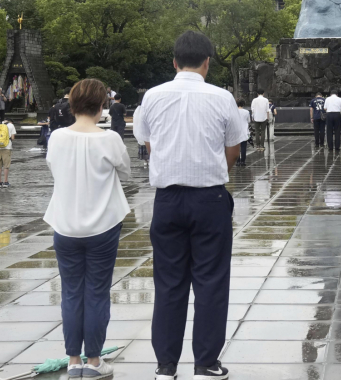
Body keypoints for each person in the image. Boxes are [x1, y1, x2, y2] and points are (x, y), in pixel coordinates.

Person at [134, 31, 245, 380]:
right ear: (208, 62)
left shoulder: (152, 96)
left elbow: (149, 143)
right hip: (209, 198)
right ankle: (206, 364)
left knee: (169, 282)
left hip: (166, 199)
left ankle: (166, 366)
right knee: (211, 281)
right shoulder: (222, 97)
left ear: (174, 61)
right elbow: (234, 149)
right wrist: (209, 172)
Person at [44, 78, 131, 380]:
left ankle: (72, 361)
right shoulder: (109, 140)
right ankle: (93, 361)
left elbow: (53, 167)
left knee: (71, 292)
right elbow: (126, 171)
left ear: (72, 104)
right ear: (102, 105)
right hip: (102, 226)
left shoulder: (56, 137)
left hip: (65, 225)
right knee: (96, 291)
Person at [0, 119, 17, 188]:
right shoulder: (11, 125)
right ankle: (5, 182)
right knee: (6, 166)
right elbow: (12, 137)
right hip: (7, 147)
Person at [237, 99, 250, 166]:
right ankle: (243, 161)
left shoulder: (233, 111)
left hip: (235, 131)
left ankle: (237, 161)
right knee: (243, 147)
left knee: (236, 147)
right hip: (244, 131)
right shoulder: (246, 112)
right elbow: (249, 121)